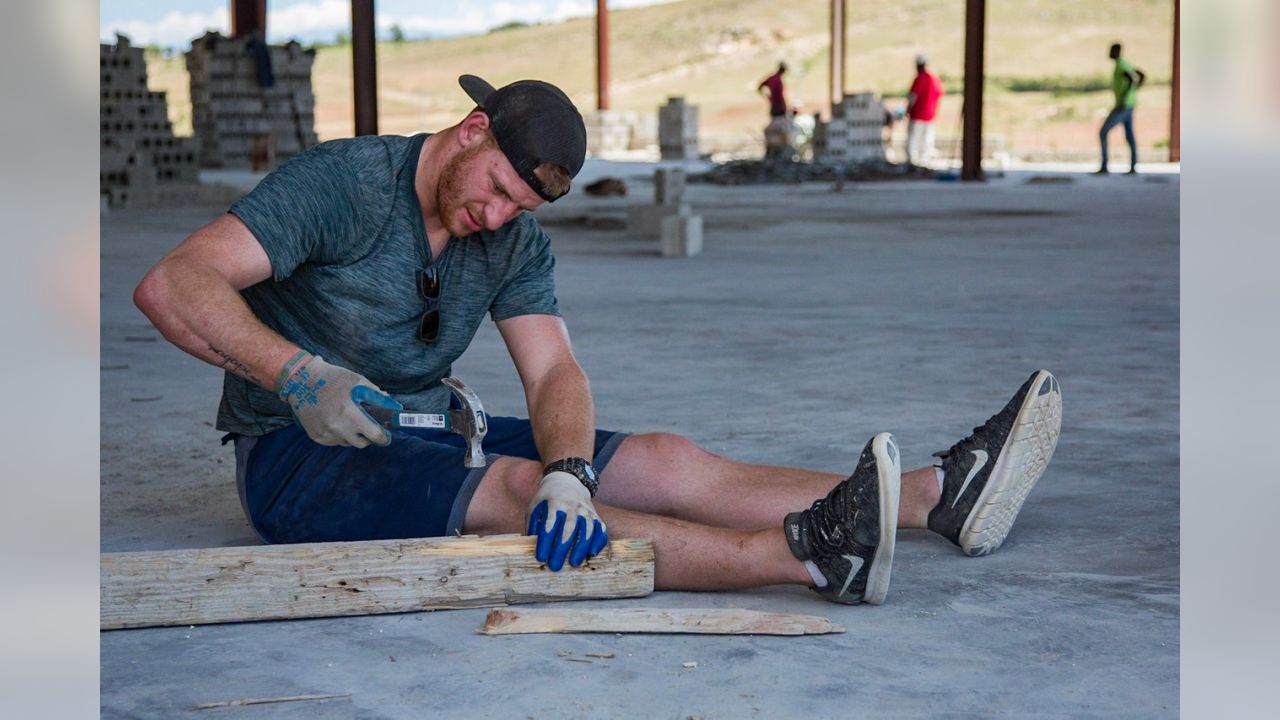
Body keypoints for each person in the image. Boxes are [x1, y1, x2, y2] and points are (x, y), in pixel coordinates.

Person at [133, 74, 1063, 606]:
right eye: (495, 188)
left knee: (657, 458)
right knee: (510, 490)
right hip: (299, 456)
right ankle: (805, 554)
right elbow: (174, 283)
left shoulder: (510, 236)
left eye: (521, 207)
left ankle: (941, 497)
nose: (497, 217)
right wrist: (296, 376)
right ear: (468, 132)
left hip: (417, 421)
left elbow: (553, 370)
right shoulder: (342, 185)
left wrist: (572, 467)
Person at [1097, 42, 1146, 174]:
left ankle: (1104, 165)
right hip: (1129, 105)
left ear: (1117, 51)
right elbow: (1141, 75)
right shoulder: (1126, 64)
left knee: (1103, 132)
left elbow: (1131, 78)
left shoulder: (1121, 65)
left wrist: (1126, 96)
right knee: (1129, 135)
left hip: (1123, 106)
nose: (1109, 53)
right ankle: (1133, 166)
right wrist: (1134, 91)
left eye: (1112, 50)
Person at [905, 52, 944, 166]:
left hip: (917, 115)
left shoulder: (919, 79)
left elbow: (912, 97)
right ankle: (925, 161)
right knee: (927, 140)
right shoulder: (934, 79)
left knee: (914, 139)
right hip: (930, 115)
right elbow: (939, 95)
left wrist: (907, 110)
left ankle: (913, 162)